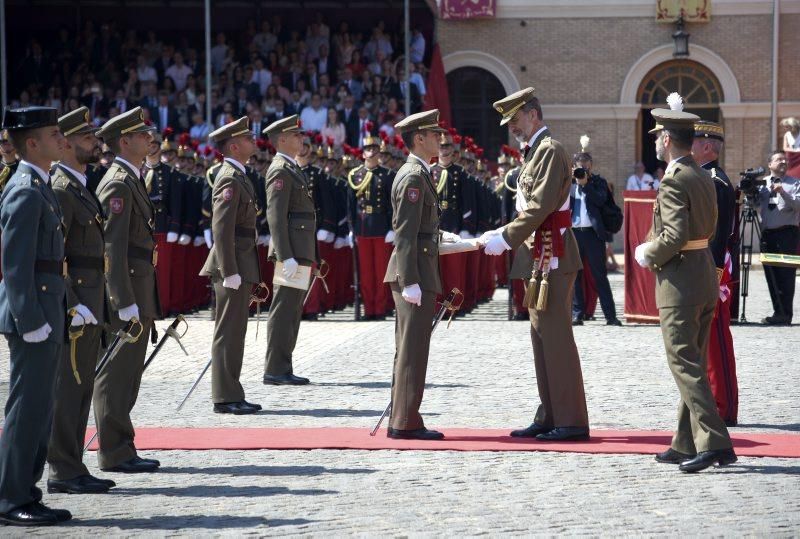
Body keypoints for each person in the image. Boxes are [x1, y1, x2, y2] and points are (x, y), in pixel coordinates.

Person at [479, 87, 589, 442]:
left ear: (533, 114)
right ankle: (550, 413)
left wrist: (507, 237)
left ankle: (570, 420)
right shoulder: (534, 153)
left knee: (555, 338)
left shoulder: (550, 151)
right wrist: (506, 231)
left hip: (553, 251)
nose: (511, 126)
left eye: (515, 119)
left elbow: (540, 206)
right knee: (541, 337)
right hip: (539, 254)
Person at [634, 94, 736, 472]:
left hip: (679, 281)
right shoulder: (702, 172)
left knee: (684, 362)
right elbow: (706, 228)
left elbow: (674, 234)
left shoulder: (675, 179)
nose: (657, 142)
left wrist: (649, 253)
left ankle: (715, 442)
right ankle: (685, 440)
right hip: (702, 275)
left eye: (658, 137)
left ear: (665, 140)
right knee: (690, 359)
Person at [0, 106, 72, 525]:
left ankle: (26, 491)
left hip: (47, 310)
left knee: (40, 408)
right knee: (26, 409)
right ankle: (11, 499)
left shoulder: (40, 184)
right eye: (53, 134)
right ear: (32, 143)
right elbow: (16, 265)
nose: (61, 139)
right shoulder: (25, 190)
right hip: (33, 317)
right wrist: (30, 321)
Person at [46, 107, 116, 494]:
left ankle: (73, 465)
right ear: (68, 142)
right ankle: (62, 469)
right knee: (68, 388)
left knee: (82, 387)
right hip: (79, 303)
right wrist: (73, 302)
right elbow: (54, 254)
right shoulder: (61, 188)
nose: (96, 143)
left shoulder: (78, 185)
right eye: (88, 138)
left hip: (92, 300)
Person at [94, 107, 163, 473]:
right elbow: (112, 247)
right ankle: (113, 450)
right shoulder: (118, 182)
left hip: (140, 286)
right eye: (141, 134)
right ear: (124, 141)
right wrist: (122, 301)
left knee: (129, 374)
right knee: (116, 373)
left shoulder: (132, 177)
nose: (149, 138)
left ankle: (122, 445)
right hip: (128, 292)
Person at [382, 109, 448, 440]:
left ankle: (403, 415)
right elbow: (405, 233)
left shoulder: (419, 173)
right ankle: (405, 422)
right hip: (414, 273)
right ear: (419, 138)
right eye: (435, 135)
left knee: (412, 347)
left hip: (419, 269)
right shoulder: (413, 176)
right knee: (412, 349)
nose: (441, 139)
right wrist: (409, 280)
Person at [199, 117, 263, 414]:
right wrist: (229, 270)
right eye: (248, 138)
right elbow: (221, 229)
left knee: (236, 331)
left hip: (241, 260)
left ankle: (232, 391)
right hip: (233, 264)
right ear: (234, 146)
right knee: (228, 330)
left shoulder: (239, 175)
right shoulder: (229, 177)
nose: (254, 141)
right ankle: (224, 395)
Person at [262, 115, 316, 385]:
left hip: (299, 249)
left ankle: (283, 366)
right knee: (284, 309)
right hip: (291, 252)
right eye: (295, 135)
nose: (301, 139)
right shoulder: (280, 169)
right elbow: (275, 216)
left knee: (292, 310)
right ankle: (275, 369)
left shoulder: (291, 167)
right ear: (281, 140)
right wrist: (285, 255)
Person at [691, 120, 738, 426]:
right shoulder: (705, 178)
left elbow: (718, 235)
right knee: (705, 341)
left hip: (714, 269)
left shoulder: (715, 182)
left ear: (708, 146)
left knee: (716, 341)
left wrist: (714, 274)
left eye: (694, 142)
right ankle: (715, 401)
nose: (690, 146)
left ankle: (724, 406)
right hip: (707, 268)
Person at [569, 147, 622, 326]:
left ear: (591, 166)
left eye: (586, 166)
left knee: (600, 275)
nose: (583, 169)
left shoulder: (599, 182)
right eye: (579, 166)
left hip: (593, 235)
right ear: (573, 166)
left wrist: (586, 184)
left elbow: (601, 200)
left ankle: (610, 316)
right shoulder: (568, 184)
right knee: (574, 276)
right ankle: (577, 313)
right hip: (574, 233)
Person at [347, 133, 394, 320]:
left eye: (374, 149)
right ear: (363, 153)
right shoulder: (355, 175)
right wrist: (351, 229)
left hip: (382, 228)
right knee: (366, 273)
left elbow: (392, 204)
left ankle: (380, 309)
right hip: (362, 229)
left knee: (381, 272)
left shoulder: (387, 175)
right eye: (368, 149)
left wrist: (392, 228)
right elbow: (350, 206)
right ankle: (369, 309)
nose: (371, 152)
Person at [758, 150, 800, 325]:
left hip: (787, 234)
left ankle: (786, 314)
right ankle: (778, 313)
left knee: (786, 275)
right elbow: (753, 204)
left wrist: (783, 191)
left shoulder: (794, 183)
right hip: (768, 235)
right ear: (770, 164)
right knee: (772, 275)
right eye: (778, 159)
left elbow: (798, 204)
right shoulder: (762, 184)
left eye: (784, 159)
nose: (783, 161)